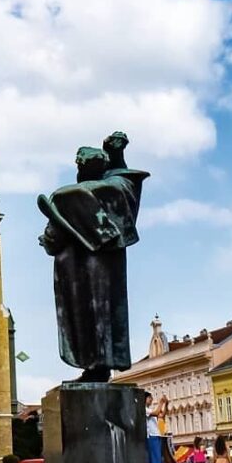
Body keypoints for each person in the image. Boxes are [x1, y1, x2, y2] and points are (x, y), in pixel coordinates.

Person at [37, 133, 149, 382]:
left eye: (79, 164)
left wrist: (49, 238)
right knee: (99, 316)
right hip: (98, 269)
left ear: (85, 167)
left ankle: (97, 366)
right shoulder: (115, 189)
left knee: (89, 315)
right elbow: (125, 184)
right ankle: (99, 366)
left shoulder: (68, 196)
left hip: (82, 270)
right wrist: (118, 156)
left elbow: (53, 237)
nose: (77, 168)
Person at [145, 393, 168, 463]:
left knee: (157, 456)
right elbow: (156, 412)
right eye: (149, 398)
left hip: (156, 434)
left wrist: (166, 404)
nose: (151, 399)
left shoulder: (150, 409)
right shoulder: (144, 409)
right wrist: (161, 402)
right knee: (154, 458)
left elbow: (162, 415)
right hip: (151, 435)